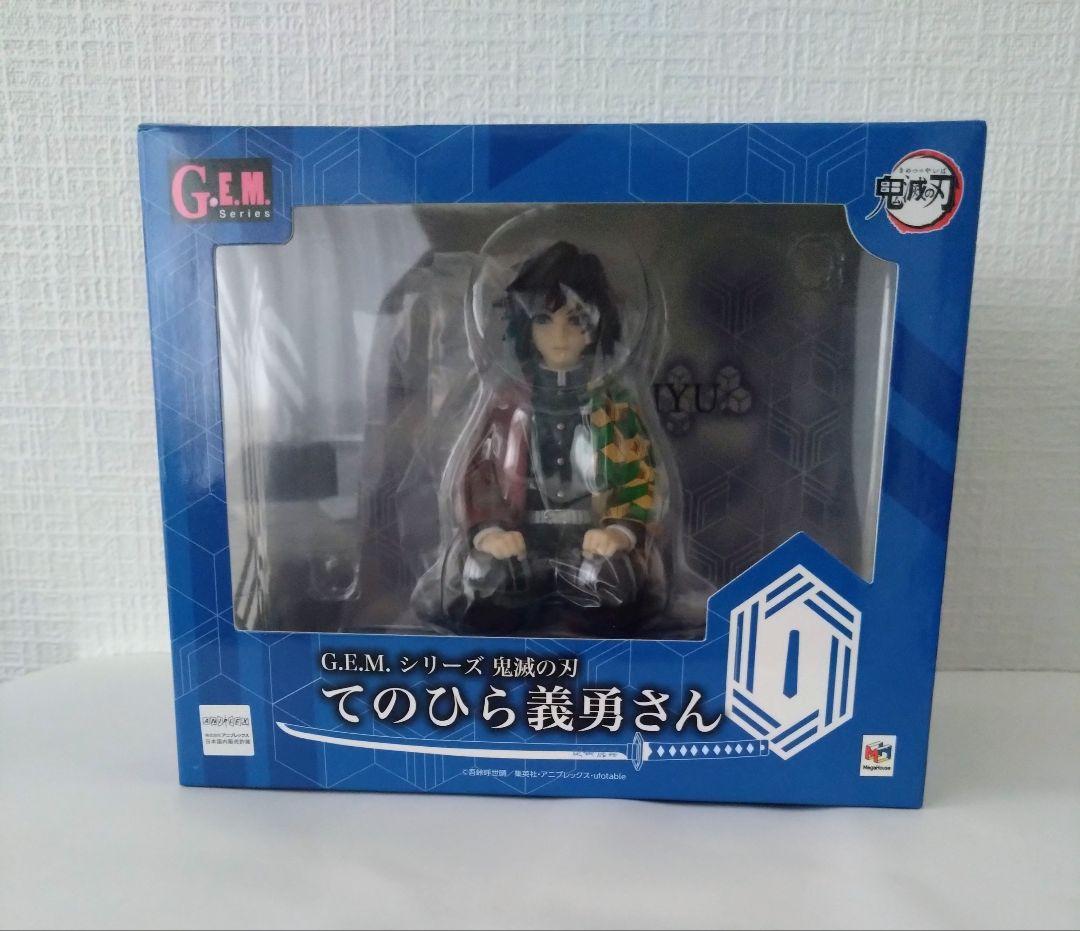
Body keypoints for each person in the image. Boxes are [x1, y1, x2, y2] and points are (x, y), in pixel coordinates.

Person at [448, 241, 660, 635]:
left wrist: (620, 531)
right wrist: (490, 531)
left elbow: (638, 475)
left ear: (596, 327)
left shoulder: (613, 407)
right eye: (544, 320)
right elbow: (483, 472)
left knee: (611, 584)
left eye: (576, 321)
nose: (559, 335)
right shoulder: (509, 405)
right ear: (525, 326)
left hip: (591, 541)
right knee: (489, 580)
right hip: (521, 537)